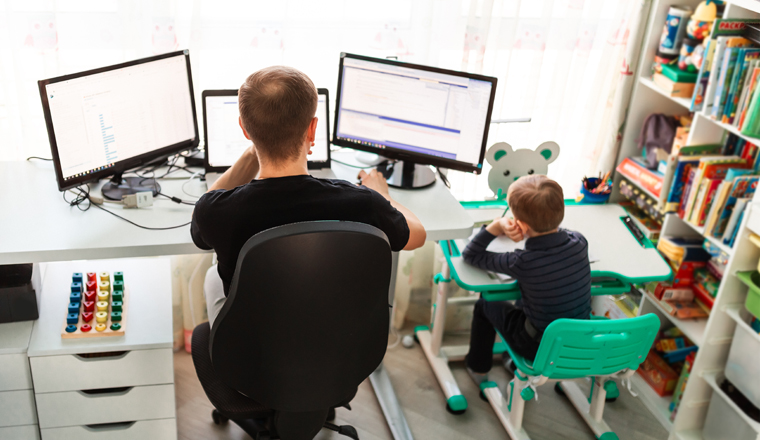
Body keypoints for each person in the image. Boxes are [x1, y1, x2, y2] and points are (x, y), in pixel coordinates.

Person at [191, 66, 426, 326]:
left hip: (255, 352)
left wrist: (253, 150)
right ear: (312, 129)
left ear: (244, 129)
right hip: (338, 342)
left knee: (213, 276)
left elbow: (200, 234)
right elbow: (417, 235)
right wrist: (382, 195)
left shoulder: (216, 211)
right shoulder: (363, 203)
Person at [461, 175, 591, 384]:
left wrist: (496, 226)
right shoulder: (579, 242)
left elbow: (471, 255)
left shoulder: (522, 262)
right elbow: (563, 233)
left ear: (521, 224)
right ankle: (508, 359)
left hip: (537, 347)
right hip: (577, 341)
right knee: (527, 296)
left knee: (485, 303)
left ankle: (478, 367)